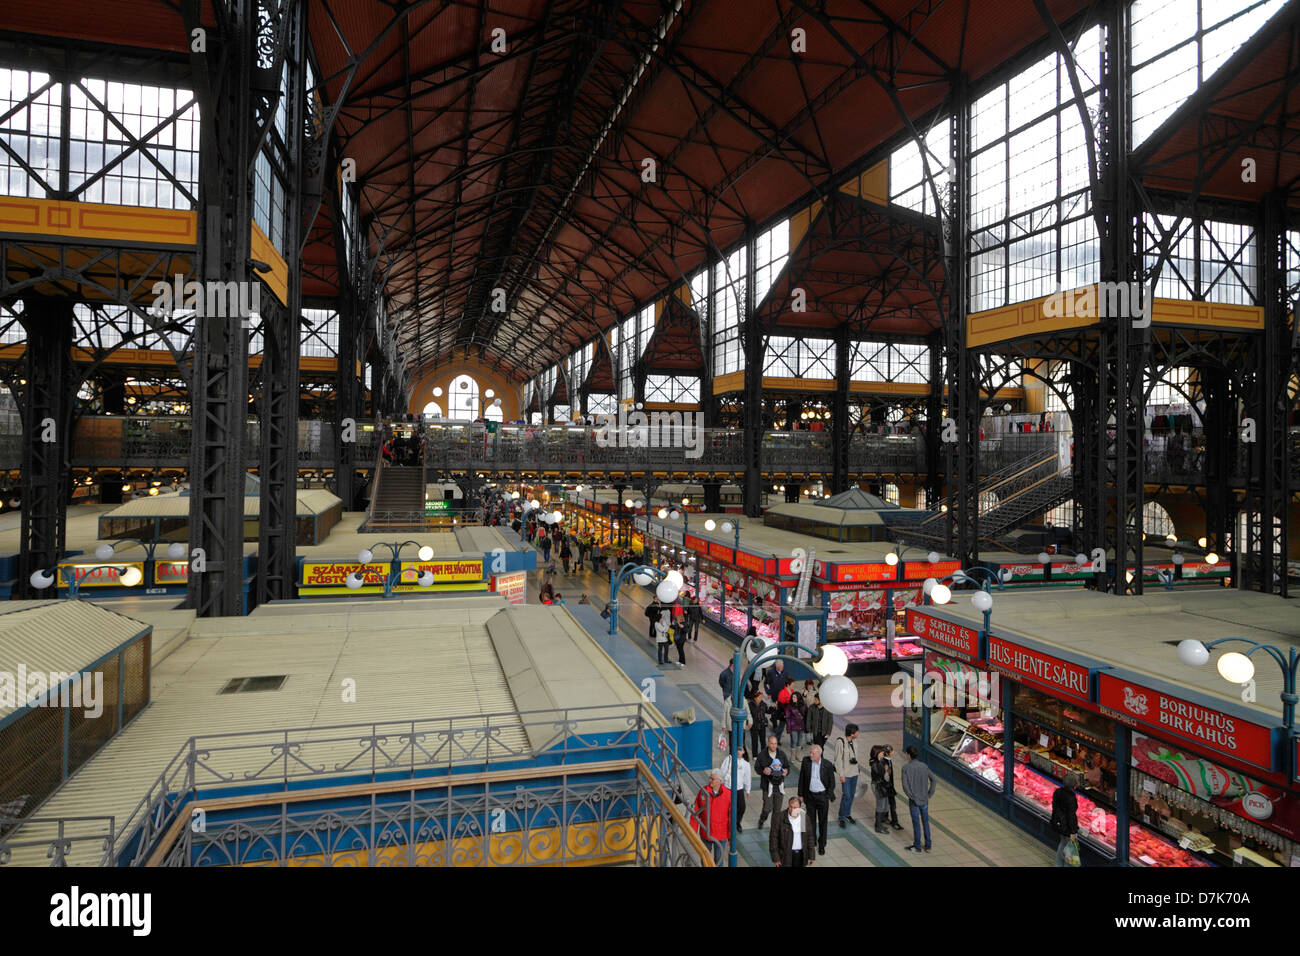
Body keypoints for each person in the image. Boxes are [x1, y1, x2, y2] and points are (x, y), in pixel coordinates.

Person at [797, 743, 836, 856]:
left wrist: (827, 795)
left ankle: (822, 844)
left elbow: (832, 782)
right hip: (810, 797)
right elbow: (802, 778)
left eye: (812, 753)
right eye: (810, 752)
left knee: (823, 822)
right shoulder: (806, 762)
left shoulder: (827, 765)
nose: (810, 755)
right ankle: (812, 842)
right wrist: (800, 794)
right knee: (811, 821)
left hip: (822, 797)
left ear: (819, 754)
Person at [900, 745, 936, 853]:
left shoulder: (905, 768)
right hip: (924, 799)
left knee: (916, 822)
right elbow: (934, 780)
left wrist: (911, 796)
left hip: (914, 800)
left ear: (909, 755)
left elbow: (905, 786)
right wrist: (929, 794)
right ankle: (928, 845)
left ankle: (917, 845)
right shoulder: (924, 766)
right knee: (925, 821)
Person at [691, 771, 731, 865]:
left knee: (719, 860)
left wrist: (730, 837)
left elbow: (731, 817)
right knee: (705, 859)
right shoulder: (703, 792)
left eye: (712, 779)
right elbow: (695, 812)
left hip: (721, 835)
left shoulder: (728, 795)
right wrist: (692, 831)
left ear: (719, 781)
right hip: (706, 833)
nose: (710, 781)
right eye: (710, 778)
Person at [755, 734, 791, 829]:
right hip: (767, 786)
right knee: (767, 808)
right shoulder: (762, 755)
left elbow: (787, 766)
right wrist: (763, 771)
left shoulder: (781, 754)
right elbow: (757, 767)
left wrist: (786, 771)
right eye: (772, 744)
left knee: (777, 810)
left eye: (775, 744)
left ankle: (774, 827)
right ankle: (762, 819)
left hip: (779, 786)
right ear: (768, 743)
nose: (774, 746)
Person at [769, 795, 815, 868]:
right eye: (791, 807)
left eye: (795, 808)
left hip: (800, 855)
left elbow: (810, 837)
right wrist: (776, 858)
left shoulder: (803, 817)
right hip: (785, 855)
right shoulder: (779, 818)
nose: (792, 809)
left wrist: (812, 855)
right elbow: (773, 839)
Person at [832, 723, 861, 829]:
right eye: (857, 731)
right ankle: (841, 817)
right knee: (846, 795)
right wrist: (841, 774)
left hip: (854, 773)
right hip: (846, 774)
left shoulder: (855, 741)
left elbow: (855, 756)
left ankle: (847, 814)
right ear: (852, 733)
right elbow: (838, 759)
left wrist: (858, 768)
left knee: (852, 795)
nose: (858, 733)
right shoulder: (841, 742)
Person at [719, 747, 753, 832]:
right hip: (727, 787)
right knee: (726, 808)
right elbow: (722, 771)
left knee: (741, 807)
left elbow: (747, 777)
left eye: (741, 750)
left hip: (739, 789)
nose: (739, 752)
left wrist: (748, 790)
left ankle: (737, 822)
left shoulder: (745, 764)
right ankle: (726, 824)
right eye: (737, 749)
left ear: (744, 752)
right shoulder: (728, 759)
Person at [1051, 772, 1081, 867]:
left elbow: (1055, 807)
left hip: (1059, 824)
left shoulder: (1058, 792)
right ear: (1074, 785)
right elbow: (1071, 816)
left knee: (1062, 844)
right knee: (1070, 851)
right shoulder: (1071, 798)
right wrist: (1073, 832)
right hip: (1068, 827)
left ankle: (1058, 864)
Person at [880, 744, 903, 830]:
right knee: (892, 805)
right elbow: (885, 777)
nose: (893, 752)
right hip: (887, 788)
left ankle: (884, 817)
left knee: (886, 803)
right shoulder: (884, 763)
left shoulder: (888, 761)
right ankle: (895, 822)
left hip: (889, 787)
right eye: (892, 751)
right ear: (888, 753)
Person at [869, 745, 890, 833]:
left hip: (880, 785)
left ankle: (880, 824)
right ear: (877, 753)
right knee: (880, 805)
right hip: (879, 786)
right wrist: (886, 771)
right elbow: (885, 777)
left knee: (884, 804)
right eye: (881, 752)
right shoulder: (876, 764)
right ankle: (878, 826)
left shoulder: (877, 762)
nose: (883, 754)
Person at [747, 690, 768, 759]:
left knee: (763, 741)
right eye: (759, 697)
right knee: (754, 741)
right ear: (755, 698)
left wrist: (773, 708)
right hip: (754, 726)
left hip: (762, 726)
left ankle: (764, 754)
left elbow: (767, 710)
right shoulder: (750, 705)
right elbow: (748, 715)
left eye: (761, 697)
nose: (760, 699)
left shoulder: (763, 704)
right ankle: (755, 755)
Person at [785, 691, 807, 758]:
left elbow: (806, 715)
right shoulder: (789, 706)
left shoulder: (804, 705)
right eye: (792, 697)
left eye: (794, 697)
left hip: (801, 726)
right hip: (793, 726)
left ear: (798, 698)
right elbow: (787, 717)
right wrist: (788, 727)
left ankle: (798, 755)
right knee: (794, 740)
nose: (793, 698)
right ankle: (793, 756)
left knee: (800, 741)